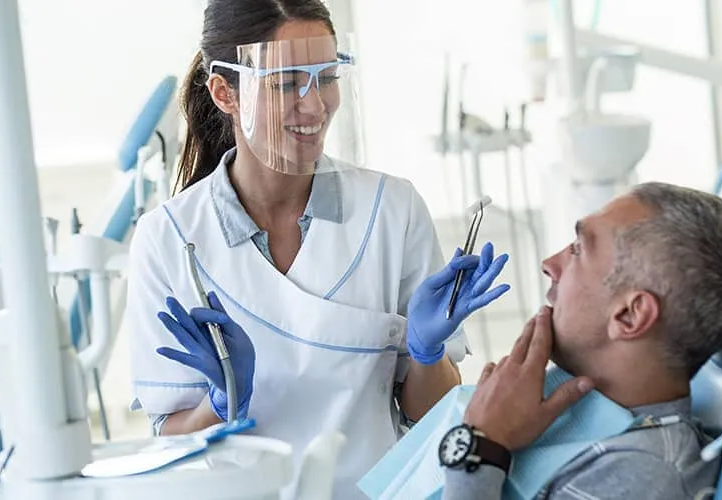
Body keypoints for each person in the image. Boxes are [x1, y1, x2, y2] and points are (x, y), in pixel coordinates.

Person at [123, 0, 510, 497]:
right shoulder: (168, 238)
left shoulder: (391, 210)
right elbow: (170, 445)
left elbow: (430, 416)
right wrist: (220, 403)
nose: (315, 105)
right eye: (287, 83)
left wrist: (426, 352)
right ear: (225, 92)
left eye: (326, 77)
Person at [440, 182, 722, 499]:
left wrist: (480, 448)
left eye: (578, 249)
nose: (549, 264)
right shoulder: (567, 415)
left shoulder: (640, 477)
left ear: (629, 315)